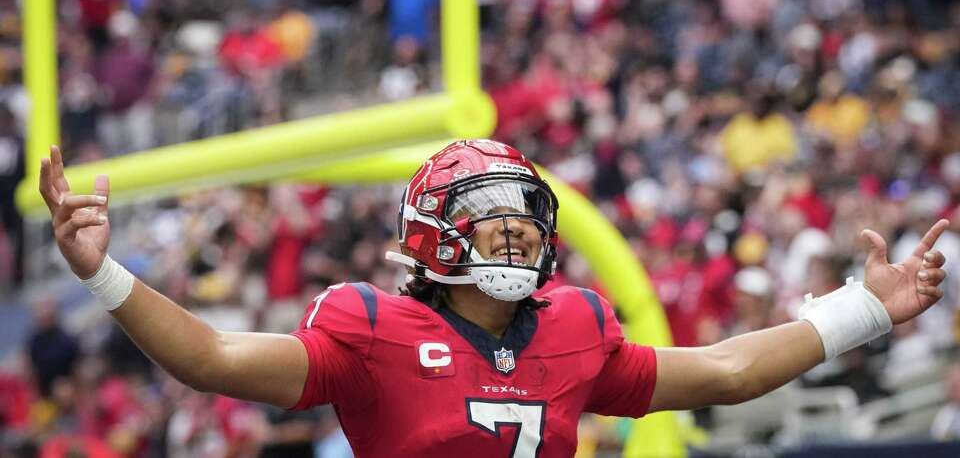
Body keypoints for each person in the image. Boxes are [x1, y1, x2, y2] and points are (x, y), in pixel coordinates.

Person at [39, 139, 950, 457]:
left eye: (525, 218)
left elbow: (726, 370)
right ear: (434, 233)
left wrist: (863, 308)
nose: (514, 232)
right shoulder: (368, 327)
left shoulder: (575, 327)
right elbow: (211, 359)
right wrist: (101, 273)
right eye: (489, 217)